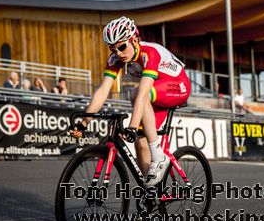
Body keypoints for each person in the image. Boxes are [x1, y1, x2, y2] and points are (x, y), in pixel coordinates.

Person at [69, 16, 190, 187]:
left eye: (122, 47)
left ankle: (158, 157)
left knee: (136, 94)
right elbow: (103, 90)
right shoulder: (116, 59)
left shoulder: (150, 53)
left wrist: (132, 126)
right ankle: (151, 192)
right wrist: (84, 122)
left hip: (178, 85)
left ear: (134, 40)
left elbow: (142, 95)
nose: (118, 53)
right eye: (113, 49)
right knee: (141, 143)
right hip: (156, 94)